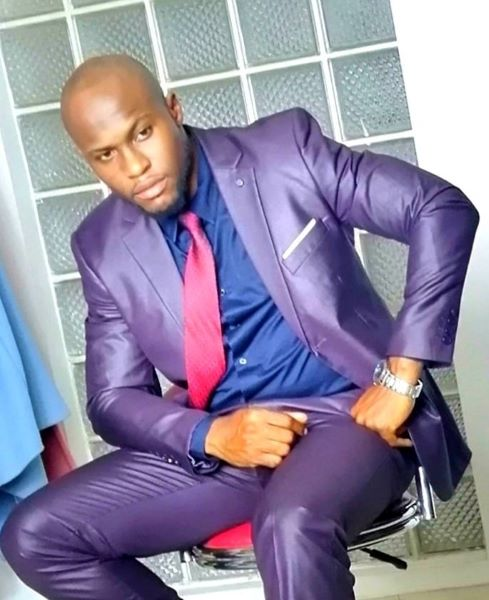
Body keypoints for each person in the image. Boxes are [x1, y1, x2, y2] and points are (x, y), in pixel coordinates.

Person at [0, 54, 479, 600]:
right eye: (106, 155)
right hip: (228, 442)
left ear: (173, 109)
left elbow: (438, 207)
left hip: (348, 417)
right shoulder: (102, 244)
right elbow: (112, 399)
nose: (134, 167)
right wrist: (212, 436)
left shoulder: (284, 154)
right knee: (35, 536)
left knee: (289, 524)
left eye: (142, 133)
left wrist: (401, 374)